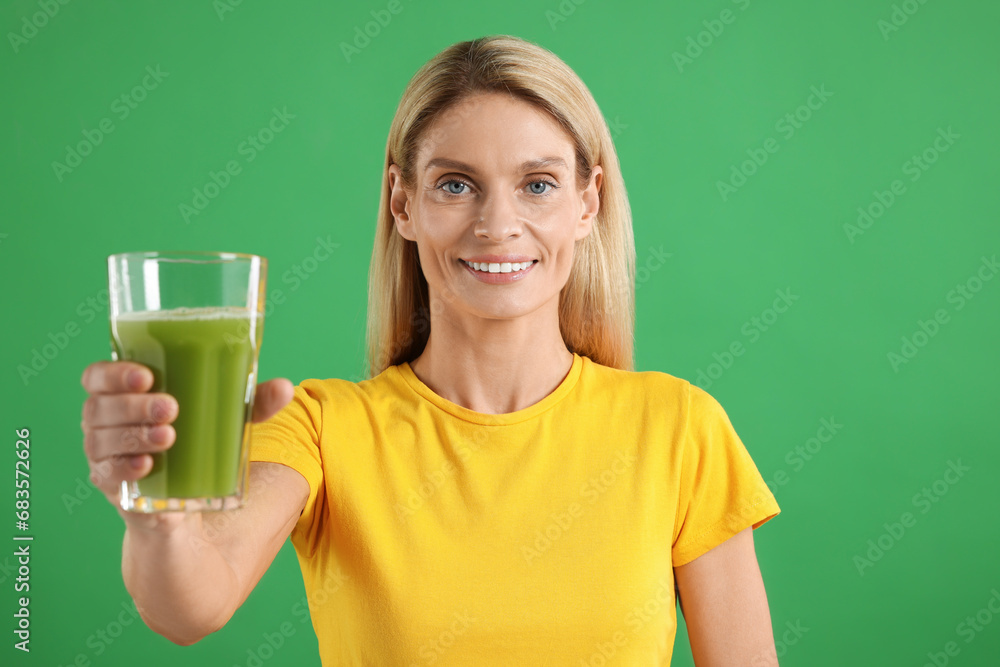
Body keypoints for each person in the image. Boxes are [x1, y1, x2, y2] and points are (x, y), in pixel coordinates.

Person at [80, 35, 782, 665]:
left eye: (537, 185)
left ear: (587, 203)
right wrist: (158, 515)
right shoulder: (322, 428)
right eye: (455, 184)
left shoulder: (680, 428)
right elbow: (188, 607)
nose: (497, 224)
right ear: (403, 201)